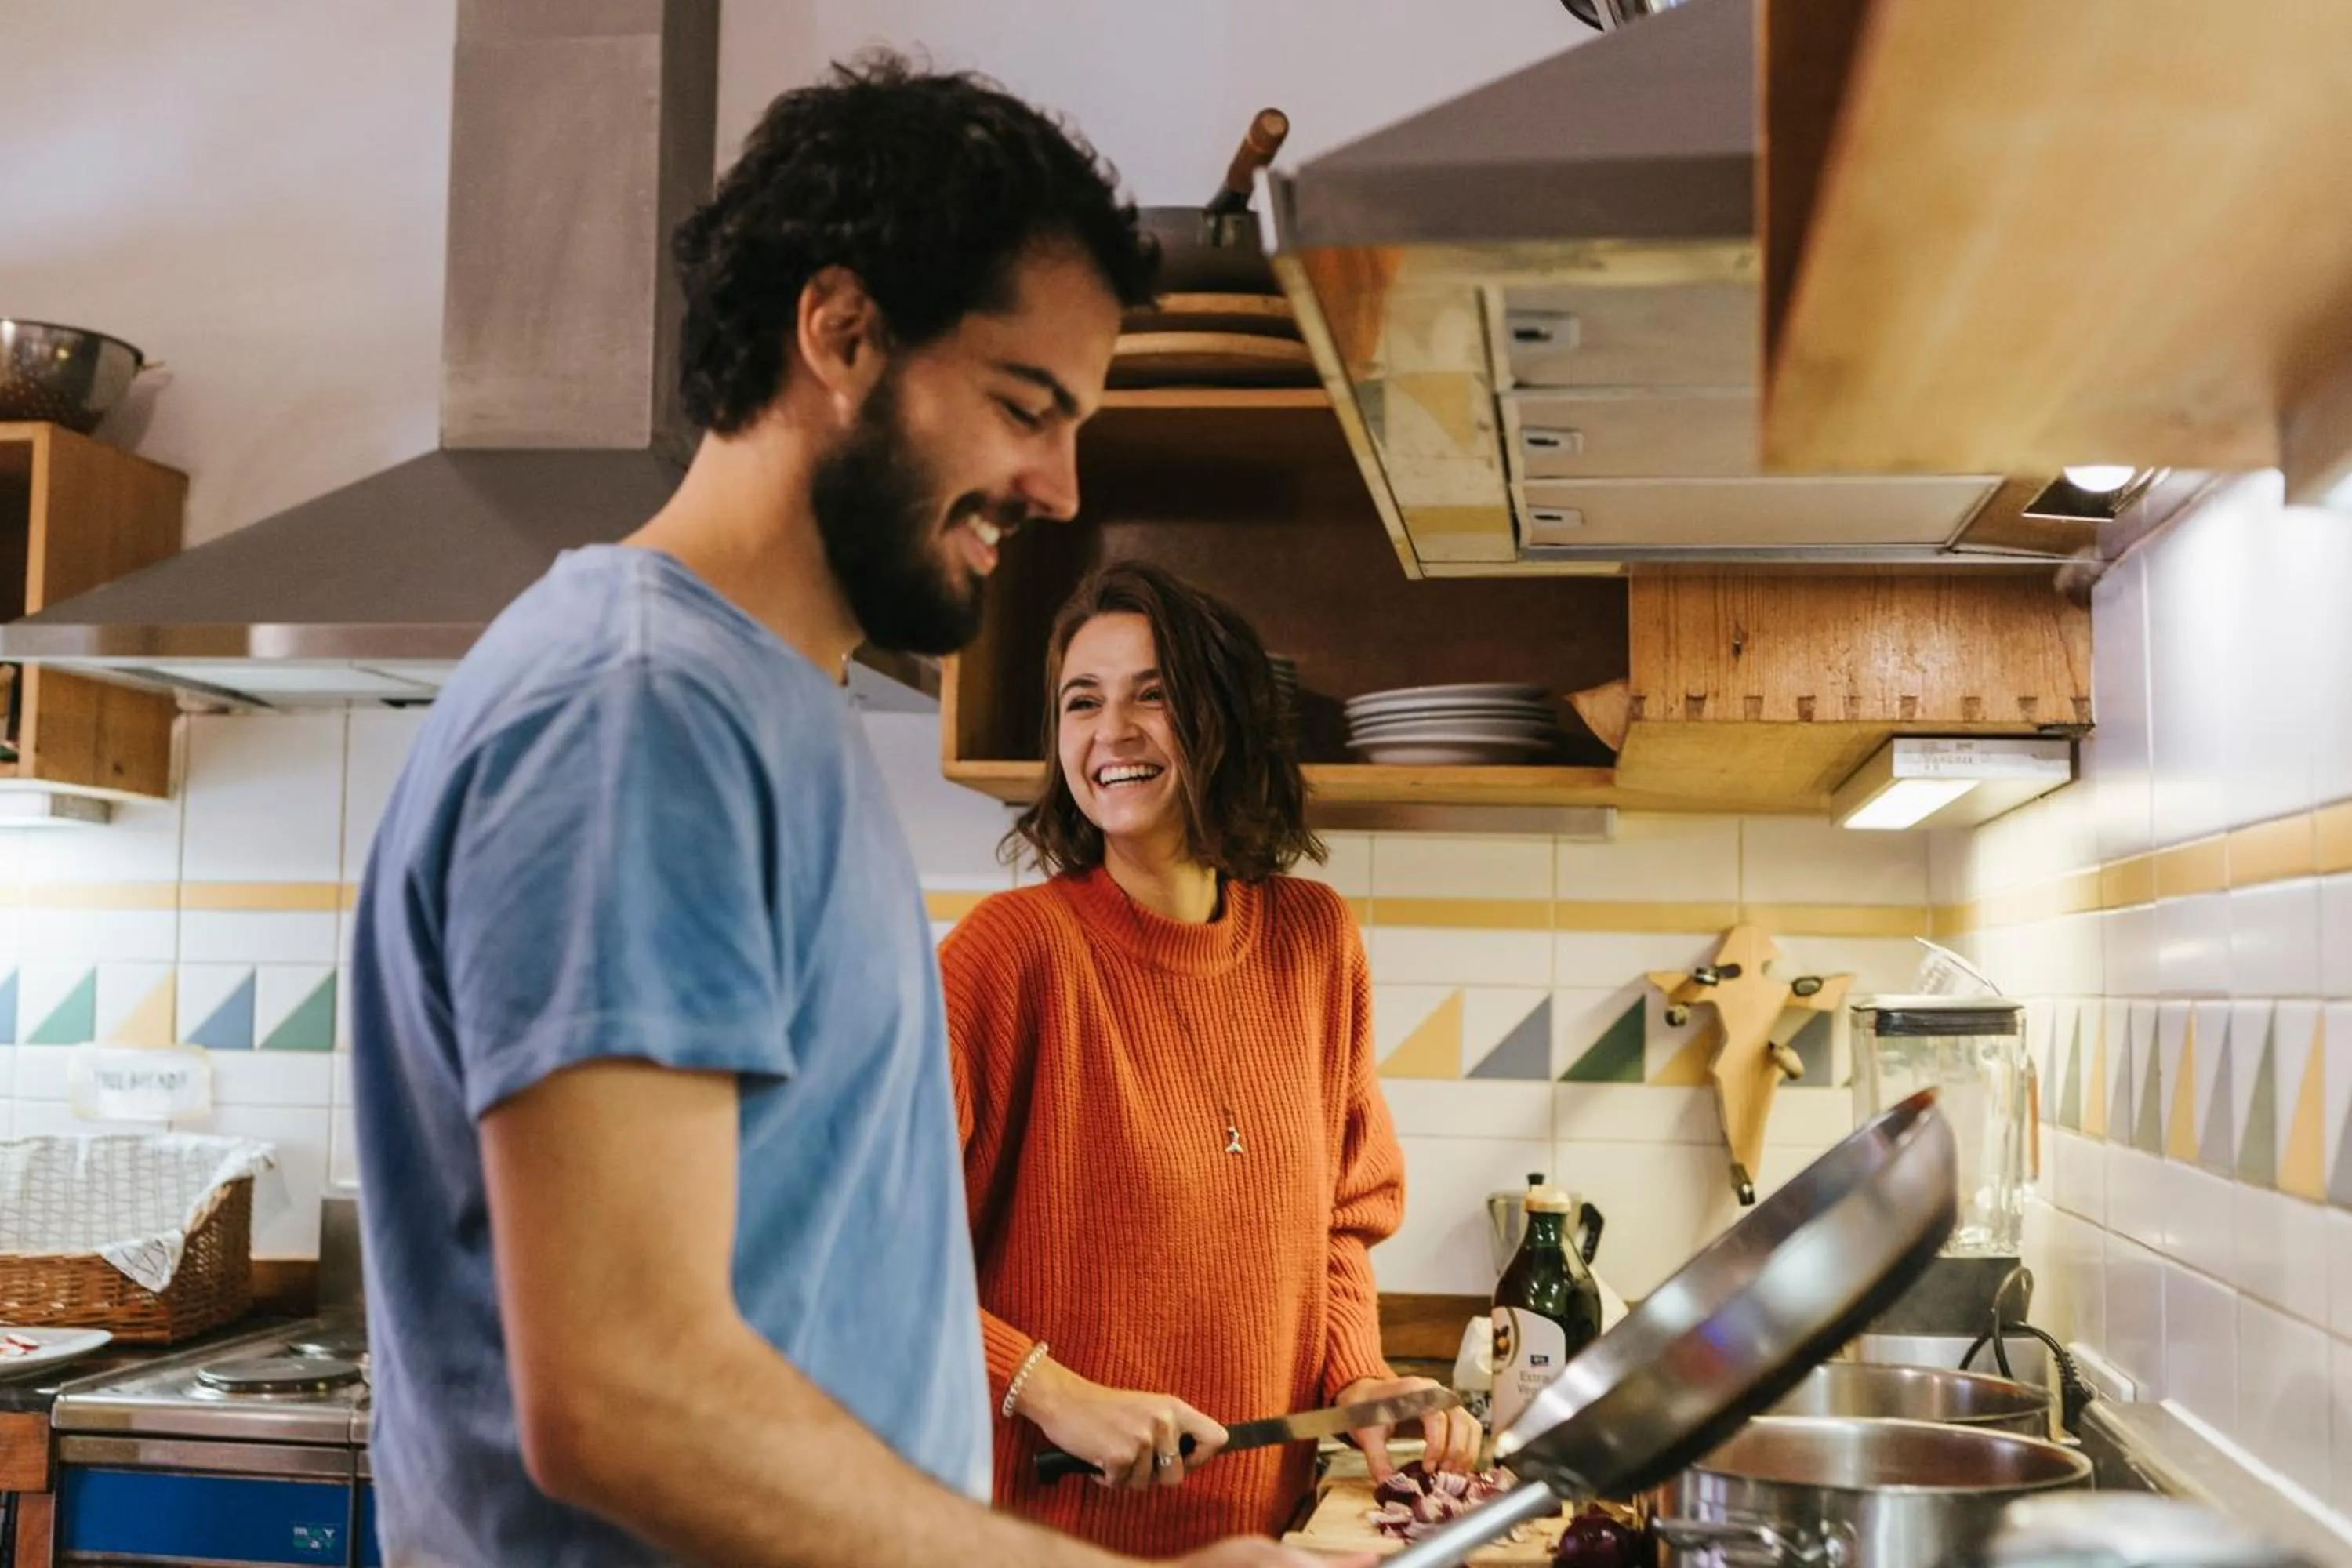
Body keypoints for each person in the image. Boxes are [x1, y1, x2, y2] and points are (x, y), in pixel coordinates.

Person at [350, 56, 1338, 1568]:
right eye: (1027, 404)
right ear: (844, 333)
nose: (1063, 487)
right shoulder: (638, 719)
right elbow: (626, 1392)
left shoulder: (764, 718)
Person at [940, 562, 1482, 1558]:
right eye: (1082, 700)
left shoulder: (1312, 939)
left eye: (1154, 694)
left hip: (1256, 1535)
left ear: (1222, 716)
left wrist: (1354, 1376)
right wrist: (1045, 1389)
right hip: (1038, 1536)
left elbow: (1339, 1223)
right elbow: (868, 1250)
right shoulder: (1010, 952)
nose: (1113, 731)